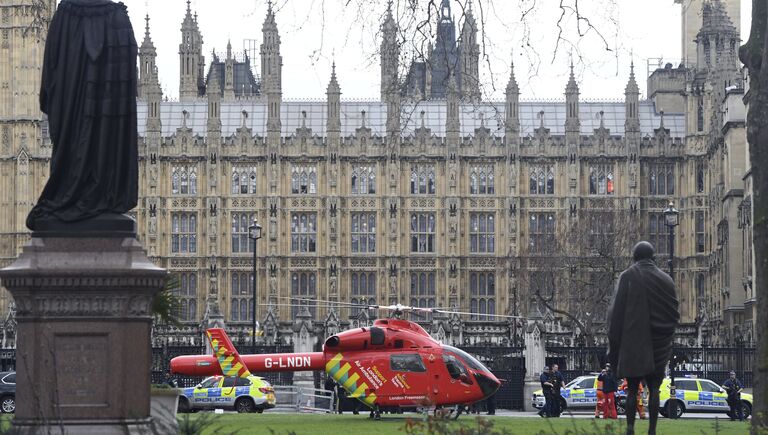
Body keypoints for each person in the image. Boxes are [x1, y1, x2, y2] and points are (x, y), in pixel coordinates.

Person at [607, 241, 680, 435]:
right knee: (654, 389)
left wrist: (613, 347)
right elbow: (673, 315)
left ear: (635, 257)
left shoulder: (628, 276)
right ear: (653, 257)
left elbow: (616, 315)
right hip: (660, 343)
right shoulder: (667, 279)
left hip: (635, 343)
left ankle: (630, 429)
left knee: (632, 389)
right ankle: (652, 431)